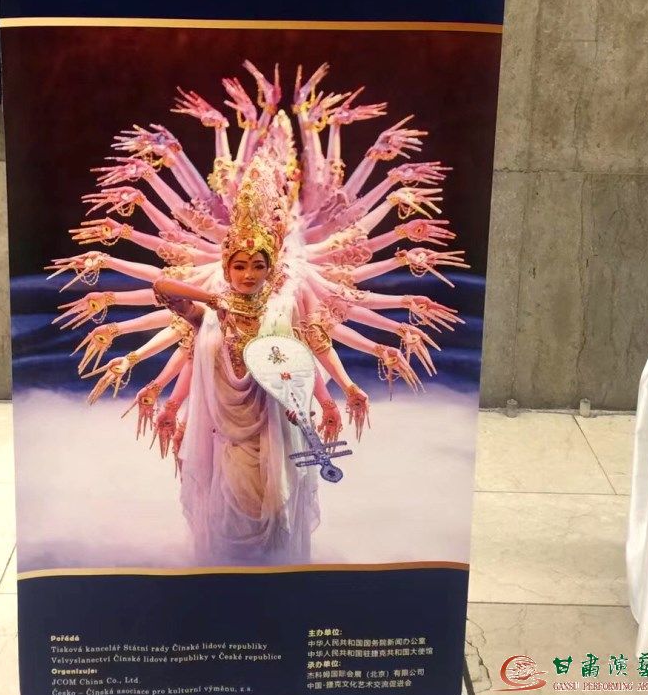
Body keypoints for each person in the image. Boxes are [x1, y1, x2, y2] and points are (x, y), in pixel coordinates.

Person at [48, 61, 466, 564]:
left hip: (274, 411)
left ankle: (273, 566)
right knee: (232, 498)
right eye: (240, 265)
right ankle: (230, 565)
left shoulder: (286, 299)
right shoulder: (211, 304)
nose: (248, 274)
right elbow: (169, 303)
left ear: (271, 265)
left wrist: (337, 394)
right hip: (226, 419)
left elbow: (307, 351)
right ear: (228, 265)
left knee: (274, 499)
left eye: (257, 265)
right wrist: (182, 362)